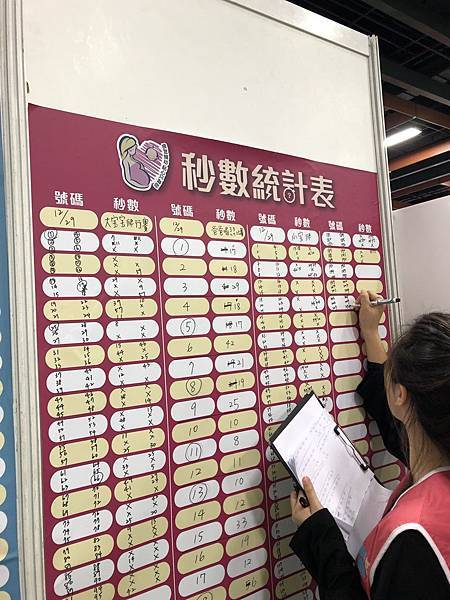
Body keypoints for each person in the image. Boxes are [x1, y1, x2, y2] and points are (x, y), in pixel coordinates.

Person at [290, 290, 450, 599]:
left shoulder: (412, 540)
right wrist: (370, 333)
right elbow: (395, 423)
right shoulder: (436, 446)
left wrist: (320, 536)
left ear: (400, 394)